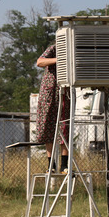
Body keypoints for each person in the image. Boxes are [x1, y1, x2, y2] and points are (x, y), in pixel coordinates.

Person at [36, 44, 69, 173]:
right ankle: (51, 165)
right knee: (48, 124)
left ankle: (64, 164)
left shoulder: (75, 49)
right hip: (50, 91)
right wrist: (59, 59)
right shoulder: (55, 48)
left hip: (66, 90)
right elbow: (40, 62)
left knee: (65, 125)